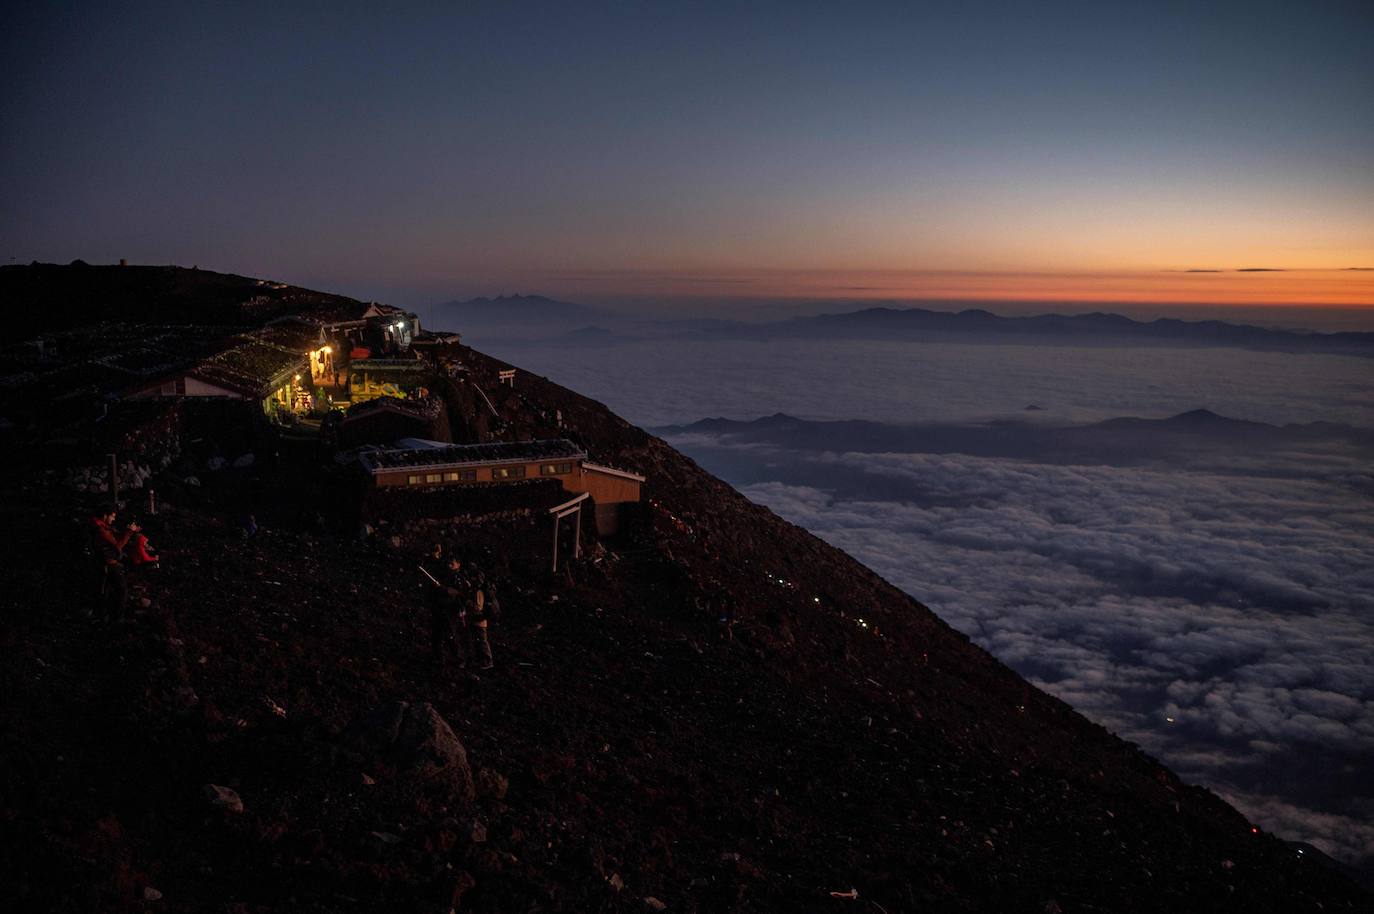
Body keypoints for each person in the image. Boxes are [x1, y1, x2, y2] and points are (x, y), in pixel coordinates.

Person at [90, 510, 136, 621]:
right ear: (105, 515)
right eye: (112, 516)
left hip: (105, 564)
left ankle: (104, 616)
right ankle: (117, 619)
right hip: (109, 564)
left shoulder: (100, 527)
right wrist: (129, 532)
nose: (114, 519)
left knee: (106, 591)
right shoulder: (101, 530)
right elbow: (117, 546)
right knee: (121, 591)